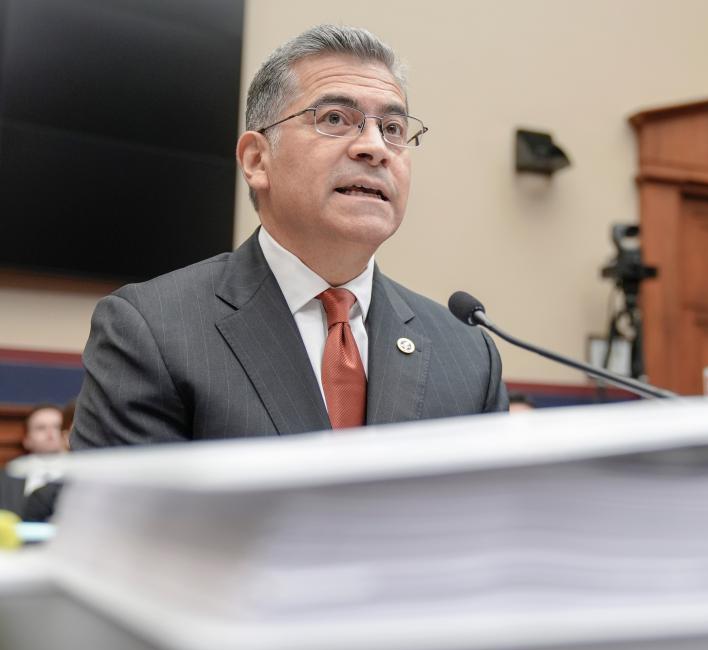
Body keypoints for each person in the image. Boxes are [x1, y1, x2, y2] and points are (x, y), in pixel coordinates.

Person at [71, 25, 507, 450]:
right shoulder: (151, 331)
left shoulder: (468, 354)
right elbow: (126, 523)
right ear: (257, 160)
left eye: (393, 128)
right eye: (336, 118)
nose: (375, 147)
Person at [0, 404, 68, 515]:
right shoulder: (5, 478)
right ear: (26, 439)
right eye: (41, 428)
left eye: (58, 427)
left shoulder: (84, 476)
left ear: (68, 434)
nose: (50, 433)